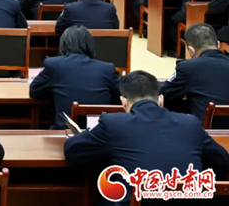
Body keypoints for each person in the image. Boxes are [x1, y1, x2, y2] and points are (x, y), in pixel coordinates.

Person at [64, 70, 229, 206]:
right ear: (161, 100)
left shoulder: (112, 123)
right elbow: (222, 160)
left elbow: (72, 151)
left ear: (123, 102)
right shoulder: (191, 123)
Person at [30, 26, 120, 129]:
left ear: (63, 45)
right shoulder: (107, 69)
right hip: (99, 132)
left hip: (65, 132)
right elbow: (122, 96)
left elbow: (34, 91)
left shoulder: (54, 65)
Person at [161, 23, 229, 123]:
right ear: (218, 44)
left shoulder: (187, 68)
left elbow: (163, 94)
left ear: (191, 51)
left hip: (205, 131)